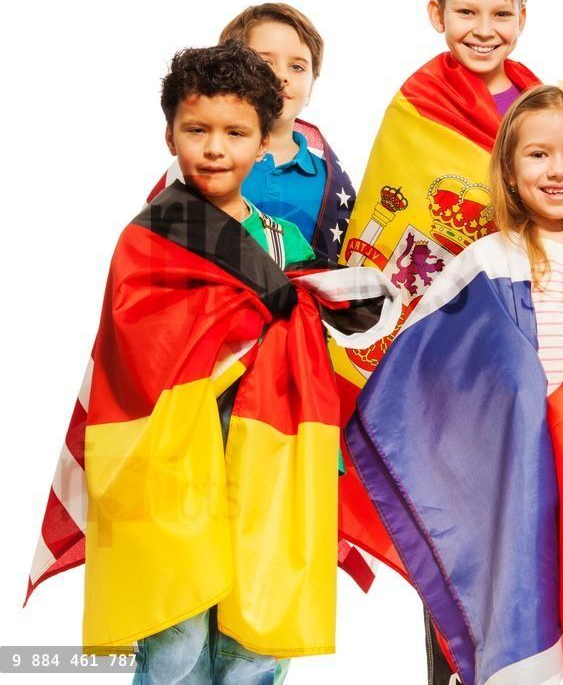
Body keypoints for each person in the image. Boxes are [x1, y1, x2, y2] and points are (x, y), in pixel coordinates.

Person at [335, 0, 563, 685]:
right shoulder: (417, 111)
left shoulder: (537, 107)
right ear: (437, 14)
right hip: (477, 394)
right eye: (466, 10)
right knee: (477, 565)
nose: (482, 26)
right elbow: (399, 231)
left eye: (499, 12)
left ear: (522, 18)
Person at [26, 42, 398, 683]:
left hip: (269, 451)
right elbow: (137, 347)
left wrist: (320, 309)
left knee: (255, 632)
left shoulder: (285, 243)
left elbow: (318, 329)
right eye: (197, 130)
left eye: (235, 132)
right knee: (177, 631)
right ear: (169, 134)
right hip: (174, 460)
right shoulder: (151, 238)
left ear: (262, 141)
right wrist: (263, 316)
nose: (215, 148)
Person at [149, 2, 356, 263]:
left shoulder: (331, 184)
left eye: (297, 67)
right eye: (265, 62)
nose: (281, 76)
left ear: (313, 84)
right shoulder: (206, 167)